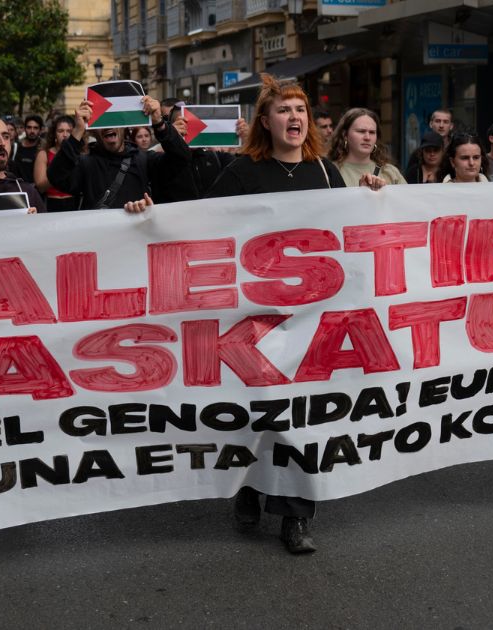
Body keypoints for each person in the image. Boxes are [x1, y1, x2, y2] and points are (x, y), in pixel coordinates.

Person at [205, 74, 348, 554]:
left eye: (300, 110)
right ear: (265, 121)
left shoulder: (326, 172)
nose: (294, 117)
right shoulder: (242, 173)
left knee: (303, 416)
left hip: (310, 317)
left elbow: (352, 233)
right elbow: (199, 225)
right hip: (256, 317)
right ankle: (248, 484)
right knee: (261, 411)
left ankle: (296, 518)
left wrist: (373, 196)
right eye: (284, 110)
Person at [48, 96, 190, 210]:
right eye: (102, 122)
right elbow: (56, 177)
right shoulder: (86, 163)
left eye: (113, 119)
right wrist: (77, 131)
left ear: (124, 127)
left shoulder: (143, 160)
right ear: (92, 130)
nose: (108, 125)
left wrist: (160, 124)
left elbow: (182, 158)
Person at [151, 107, 243, 203]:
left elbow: (245, 170)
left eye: (193, 124)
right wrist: (173, 138)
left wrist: (248, 139)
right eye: (182, 124)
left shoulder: (215, 158)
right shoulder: (160, 162)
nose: (190, 130)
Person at [327, 107, 406, 187]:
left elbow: (406, 198)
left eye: (372, 132)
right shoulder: (330, 171)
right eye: (361, 131)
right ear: (345, 135)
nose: (367, 137)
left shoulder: (390, 172)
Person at [34, 115, 78, 211]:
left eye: (69, 131)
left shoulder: (80, 154)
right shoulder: (44, 154)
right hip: (51, 203)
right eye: (60, 131)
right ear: (54, 134)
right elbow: (40, 186)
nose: (65, 135)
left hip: (75, 203)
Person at [11, 115, 44, 183]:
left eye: (35, 128)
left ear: (40, 130)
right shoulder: (15, 147)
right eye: (29, 127)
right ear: (25, 129)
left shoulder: (43, 149)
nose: (32, 131)